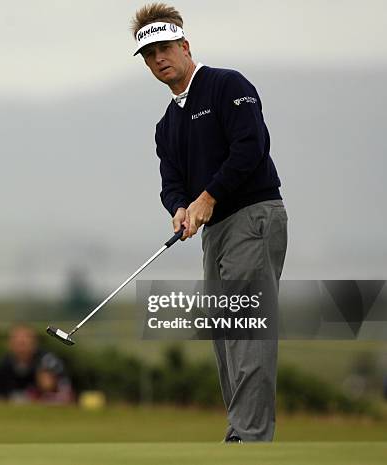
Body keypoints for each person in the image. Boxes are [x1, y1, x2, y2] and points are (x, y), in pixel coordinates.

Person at [130, 3, 288, 442]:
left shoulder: (226, 85)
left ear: (184, 45)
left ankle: (250, 435)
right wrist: (179, 207)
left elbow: (250, 147)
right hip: (214, 229)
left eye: (164, 48)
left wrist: (208, 196)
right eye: (148, 54)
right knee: (223, 329)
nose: (158, 59)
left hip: (253, 216)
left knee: (248, 327)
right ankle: (240, 427)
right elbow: (171, 182)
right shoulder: (167, 123)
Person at [0, 325, 44, 401]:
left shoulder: (44, 365)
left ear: (34, 343)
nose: (21, 348)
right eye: (18, 343)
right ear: (9, 344)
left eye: (24, 343)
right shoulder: (0, 367)